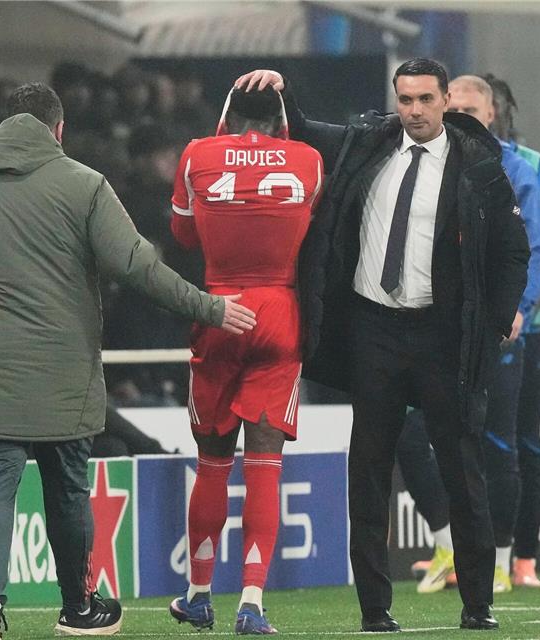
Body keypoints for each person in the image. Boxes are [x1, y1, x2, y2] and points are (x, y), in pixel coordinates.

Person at [0, 82, 257, 640]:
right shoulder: (85, 184)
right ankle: (79, 608)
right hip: (62, 367)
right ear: (59, 129)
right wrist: (210, 307)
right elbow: (138, 267)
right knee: (67, 487)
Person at [236, 59, 530, 631]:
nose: (414, 110)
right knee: (368, 470)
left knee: (462, 468)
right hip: (374, 331)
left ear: (445, 100)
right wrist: (282, 92)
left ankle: (477, 604)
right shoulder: (367, 143)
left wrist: (492, 323)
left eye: (425, 99)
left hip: (443, 335)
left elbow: (512, 251)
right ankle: (374, 610)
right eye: (405, 99)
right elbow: (306, 131)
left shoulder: (478, 166)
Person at [166, 86, 322, 635]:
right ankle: (251, 602)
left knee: (212, 462)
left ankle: (198, 595)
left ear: (227, 116)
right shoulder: (308, 160)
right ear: (281, 121)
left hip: (219, 308)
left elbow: (183, 234)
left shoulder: (197, 153)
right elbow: (314, 231)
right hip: (279, 310)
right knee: (264, 465)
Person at [395, 74, 540, 596]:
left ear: (490, 116)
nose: (459, 115)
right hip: (432, 328)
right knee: (409, 435)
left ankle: (500, 562)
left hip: (494, 330)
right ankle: (446, 544)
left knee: (497, 445)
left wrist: (519, 308)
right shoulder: (420, 160)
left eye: (470, 109)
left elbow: (537, 247)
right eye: (453, 107)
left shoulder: (515, 171)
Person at [487, 74, 540, 589]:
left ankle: (524, 553)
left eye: (491, 105)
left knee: (522, 438)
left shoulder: (539, 169)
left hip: (528, 325)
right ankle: (470, 551)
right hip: (482, 326)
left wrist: (527, 304)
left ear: (502, 110)